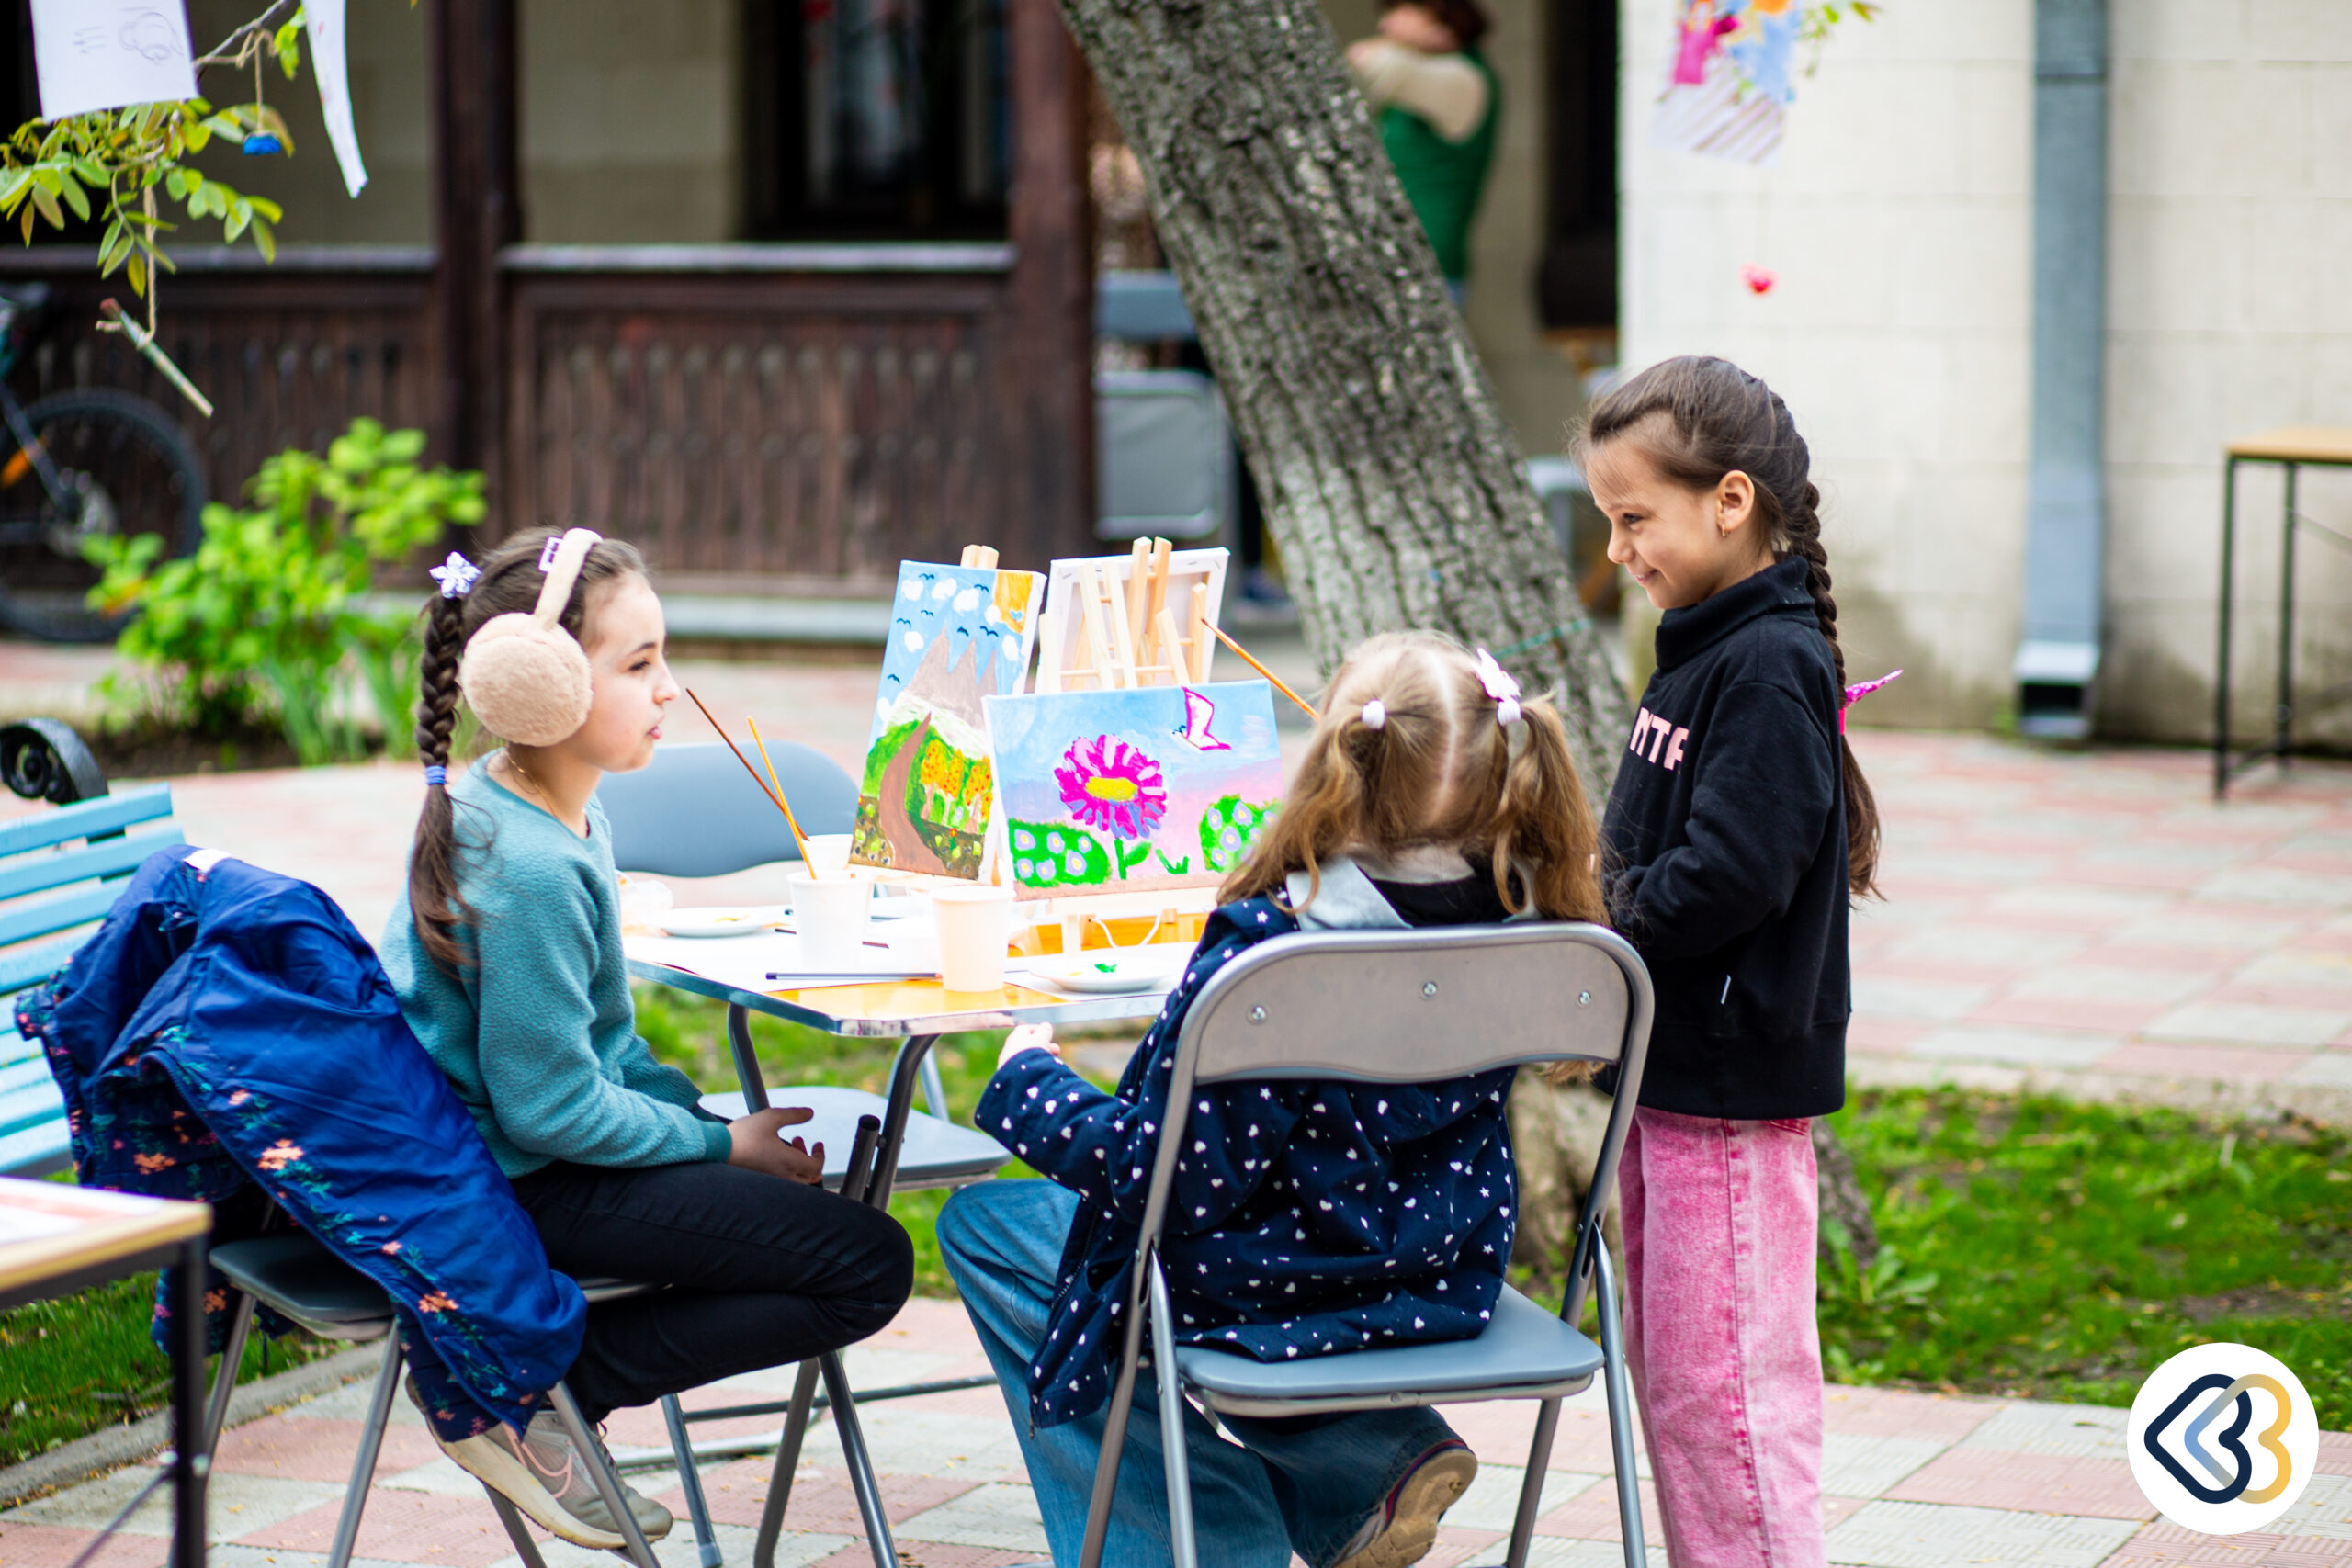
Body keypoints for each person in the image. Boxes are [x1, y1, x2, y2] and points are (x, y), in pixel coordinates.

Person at [938, 631, 1605, 1568]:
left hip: (1271, 1284)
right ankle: (1371, 1459)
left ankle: (1218, 1541)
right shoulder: (1532, 922)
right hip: (1439, 1279)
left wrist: (1027, 1085)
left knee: (992, 1223)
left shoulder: (1277, 947)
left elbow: (1165, 1183)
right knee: (1204, 1254)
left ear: (1335, 758)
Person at [381, 528, 914, 1550]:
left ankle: (539, 1379)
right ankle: (538, 1385)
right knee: (868, 1265)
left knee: (812, 1229)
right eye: (639, 664)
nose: (669, 687)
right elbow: (549, 1109)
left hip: (539, 1160)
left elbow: (603, 1049)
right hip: (515, 1184)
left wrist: (703, 1122)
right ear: (537, 685)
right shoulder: (528, 866)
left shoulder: (554, 815)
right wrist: (721, 1148)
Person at [1577, 355, 1882, 1568]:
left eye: (1633, 518)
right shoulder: (1705, 644)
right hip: (1670, 1082)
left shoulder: (1767, 664)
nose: (1618, 549)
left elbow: (1731, 873)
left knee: (1729, 1404)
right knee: (1681, 1384)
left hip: (1730, 1101)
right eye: (1610, 520)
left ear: (1732, 499)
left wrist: (1604, 918)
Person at [1346, 0, 1500, 289]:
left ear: (1436, 15)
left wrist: (1384, 48)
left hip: (1427, 269)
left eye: (1398, 12)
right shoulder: (1422, 78)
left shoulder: (1462, 77)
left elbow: (1376, 67)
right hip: (1392, 264)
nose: (1385, 25)